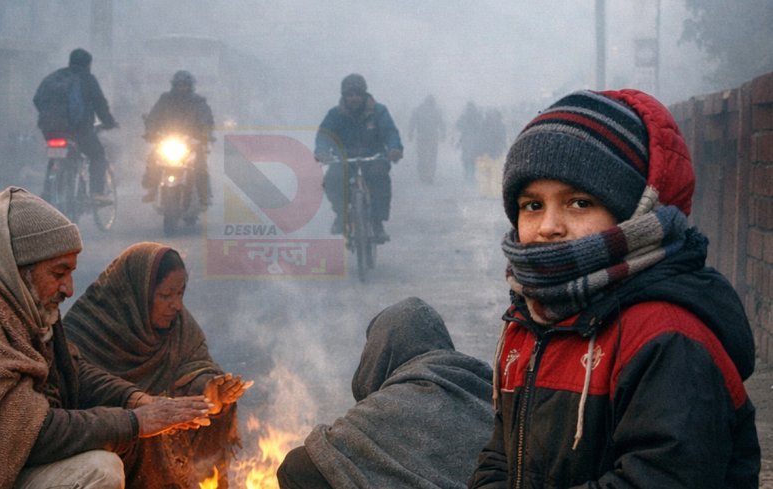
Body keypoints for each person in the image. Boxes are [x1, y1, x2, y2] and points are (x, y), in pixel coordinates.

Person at [468, 89, 760, 488]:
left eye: (579, 203)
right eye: (532, 205)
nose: (549, 225)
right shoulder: (530, 318)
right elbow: (500, 455)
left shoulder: (668, 338)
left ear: (629, 213)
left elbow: (659, 478)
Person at [0, 186, 217, 489]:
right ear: (16, 268)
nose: (69, 288)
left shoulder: (12, 301)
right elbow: (28, 432)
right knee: (98, 471)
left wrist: (134, 400)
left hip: (3, 464)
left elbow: (73, 371)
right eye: (58, 273)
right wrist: (133, 422)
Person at [64, 242, 251, 489]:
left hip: (153, 422)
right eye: (165, 295)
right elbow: (82, 394)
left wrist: (211, 392)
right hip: (108, 438)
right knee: (150, 429)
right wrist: (142, 407)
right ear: (136, 294)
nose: (176, 305)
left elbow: (195, 368)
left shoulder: (179, 324)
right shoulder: (87, 329)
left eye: (180, 294)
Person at [277, 297, 495, 489]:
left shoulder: (392, 402)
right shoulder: (481, 381)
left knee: (296, 466)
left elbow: (319, 455)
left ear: (381, 351)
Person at [314, 73, 403, 241]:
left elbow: (390, 132)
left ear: (364, 94)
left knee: (380, 179)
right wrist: (322, 151)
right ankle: (341, 215)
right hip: (345, 160)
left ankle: (377, 222)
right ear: (344, 96)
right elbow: (324, 135)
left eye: (357, 94)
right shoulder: (334, 115)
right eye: (349, 95)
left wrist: (394, 149)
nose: (354, 98)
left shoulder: (379, 112)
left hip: (374, 157)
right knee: (332, 181)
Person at [33, 48, 118, 204]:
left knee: (56, 156)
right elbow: (100, 103)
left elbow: (37, 99)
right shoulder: (87, 79)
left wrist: (49, 119)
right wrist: (109, 122)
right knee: (97, 155)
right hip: (78, 130)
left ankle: (47, 191)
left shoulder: (53, 77)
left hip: (50, 130)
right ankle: (96, 193)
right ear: (88, 64)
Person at [141, 70, 215, 207]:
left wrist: (206, 135)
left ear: (190, 86)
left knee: (200, 167)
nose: (182, 88)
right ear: (174, 85)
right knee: (153, 160)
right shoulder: (165, 100)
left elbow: (206, 120)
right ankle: (152, 189)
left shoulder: (198, 102)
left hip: (192, 142)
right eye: (179, 85)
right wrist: (150, 131)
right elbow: (153, 116)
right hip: (168, 140)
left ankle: (204, 196)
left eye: (185, 85)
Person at [407, 94, 446, 184]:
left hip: (422, 137)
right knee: (432, 157)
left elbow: (412, 123)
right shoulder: (436, 111)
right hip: (432, 137)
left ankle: (423, 175)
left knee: (422, 157)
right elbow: (441, 124)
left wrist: (410, 133)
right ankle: (430, 176)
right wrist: (443, 134)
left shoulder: (418, 110)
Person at [455, 101, 485, 181]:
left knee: (466, 158)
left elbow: (458, 125)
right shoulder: (477, 116)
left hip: (467, 139)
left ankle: (467, 173)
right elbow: (481, 126)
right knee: (471, 158)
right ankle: (471, 174)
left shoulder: (465, 116)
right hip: (474, 139)